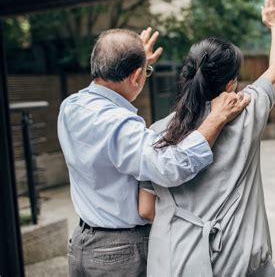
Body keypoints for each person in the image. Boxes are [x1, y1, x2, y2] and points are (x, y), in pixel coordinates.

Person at [57, 28, 249, 277]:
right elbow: (171, 166)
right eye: (145, 72)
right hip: (118, 251)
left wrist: (136, 64)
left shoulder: (71, 106)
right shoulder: (120, 124)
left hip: (81, 242)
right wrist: (217, 118)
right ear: (135, 76)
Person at [139, 0, 275, 277]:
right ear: (231, 84)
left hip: (176, 260)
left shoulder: (155, 132)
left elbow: (145, 210)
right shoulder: (246, 112)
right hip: (237, 260)